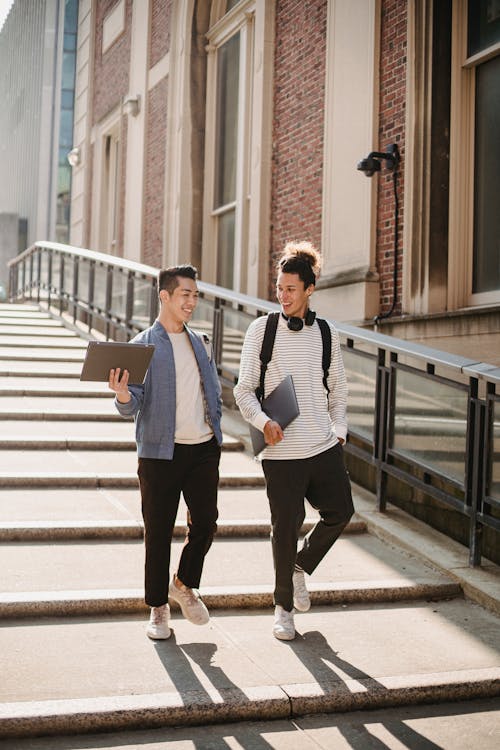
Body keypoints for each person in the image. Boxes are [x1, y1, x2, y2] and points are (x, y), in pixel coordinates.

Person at [234, 242, 354, 641]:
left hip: (322, 446)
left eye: (290, 289)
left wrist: (339, 431)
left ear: (309, 289)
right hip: (282, 453)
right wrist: (264, 420)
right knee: (284, 530)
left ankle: (300, 566)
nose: (282, 296)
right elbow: (243, 390)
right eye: (279, 288)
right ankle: (283, 609)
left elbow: (337, 392)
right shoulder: (261, 330)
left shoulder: (326, 333)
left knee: (341, 511)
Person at [109, 264, 223, 640]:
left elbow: (214, 393)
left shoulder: (201, 342)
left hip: (203, 448)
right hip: (160, 453)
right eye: (185, 294)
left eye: (195, 294)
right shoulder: (143, 345)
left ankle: (184, 583)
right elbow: (131, 405)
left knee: (205, 522)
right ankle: (158, 607)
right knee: (158, 532)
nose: (192, 301)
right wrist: (123, 393)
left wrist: (215, 428)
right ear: (165, 296)